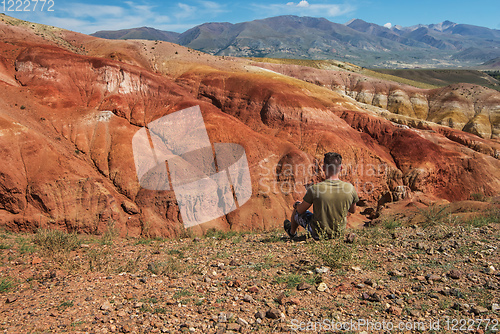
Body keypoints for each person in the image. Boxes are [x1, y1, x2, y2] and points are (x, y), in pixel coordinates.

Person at [284, 152, 358, 240]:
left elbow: (300, 210)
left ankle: (292, 233)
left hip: (317, 234)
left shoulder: (315, 189)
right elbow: (352, 210)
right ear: (341, 168)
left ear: (323, 168)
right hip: (338, 233)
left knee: (297, 210)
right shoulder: (350, 188)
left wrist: (296, 205)